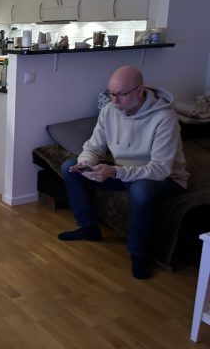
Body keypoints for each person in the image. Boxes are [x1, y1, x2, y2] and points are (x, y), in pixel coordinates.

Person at [58, 65, 188, 279]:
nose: (114, 100)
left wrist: (115, 172)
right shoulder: (110, 110)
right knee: (69, 168)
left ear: (140, 91)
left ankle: (138, 253)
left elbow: (160, 169)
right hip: (123, 172)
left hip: (165, 179)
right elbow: (94, 147)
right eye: (111, 94)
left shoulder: (165, 118)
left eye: (121, 94)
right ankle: (88, 227)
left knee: (141, 190)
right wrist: (85, 163)